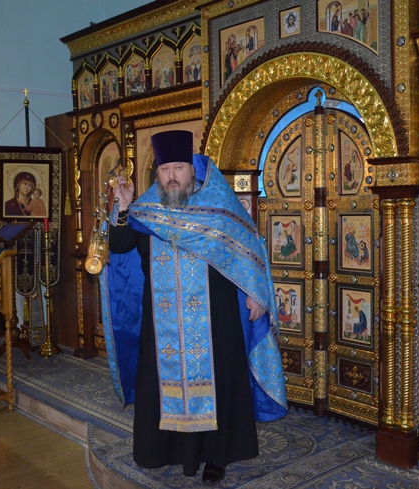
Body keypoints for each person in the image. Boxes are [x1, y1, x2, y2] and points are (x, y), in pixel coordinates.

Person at [101, 130, 287, 484]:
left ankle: (218, 457)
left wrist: (255, 292)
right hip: (163, 322)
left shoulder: (218, 205)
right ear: (157, 173)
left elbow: (246, 248)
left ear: (192, 169)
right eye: (165, 169)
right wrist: (122, 208)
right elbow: (120, 246)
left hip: (217, 316)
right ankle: (169, 451)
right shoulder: (145, 210)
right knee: (163, 385)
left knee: (221, 384)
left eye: (178, 168)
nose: (171, 176)